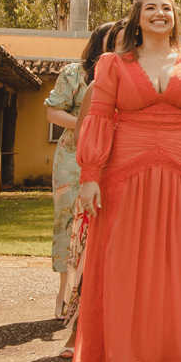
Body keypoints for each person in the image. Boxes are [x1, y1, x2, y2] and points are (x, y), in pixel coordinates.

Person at [73, 0, 181, 362]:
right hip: (124, 172)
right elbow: (100, 116)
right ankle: (123, 359)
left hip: (180, 170)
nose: (160, 14)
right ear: (137, 18)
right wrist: (90, 175)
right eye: (150, 9)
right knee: (126, 264)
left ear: (175, 17)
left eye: (166, 8)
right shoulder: (113, 64)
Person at [47, 22, 116, 317]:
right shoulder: (74, 73)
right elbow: (53, 111)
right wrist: (89, 123)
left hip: (112, 156)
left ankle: (95, 298)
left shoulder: (128, 72)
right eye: (113, 40)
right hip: (71, 158)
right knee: (67, 222)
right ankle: (65, 292)